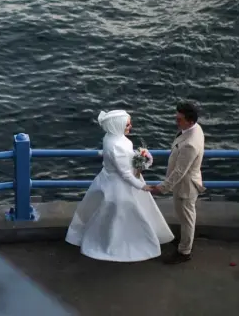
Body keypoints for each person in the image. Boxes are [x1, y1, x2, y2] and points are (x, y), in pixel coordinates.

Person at [65, 110, 174, 262]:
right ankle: (124, 244)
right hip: (120, 185)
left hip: (107, 180)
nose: (130, 126)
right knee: (124, 213)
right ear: (117, 125)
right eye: (127, 124)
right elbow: (126, 174)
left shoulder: (109, 137)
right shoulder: (117, 145)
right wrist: (142, 186)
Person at [149, 101, 206, 264]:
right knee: (185, 217)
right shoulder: (195, 129)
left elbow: (180, 171)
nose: (176, 121)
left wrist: (162, 187)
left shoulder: (190, 145)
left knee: (187, 218)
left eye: (179, 119)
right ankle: (184, 242)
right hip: (187, 183)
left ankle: (184, 251)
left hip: (185, 187)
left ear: (190, 121)